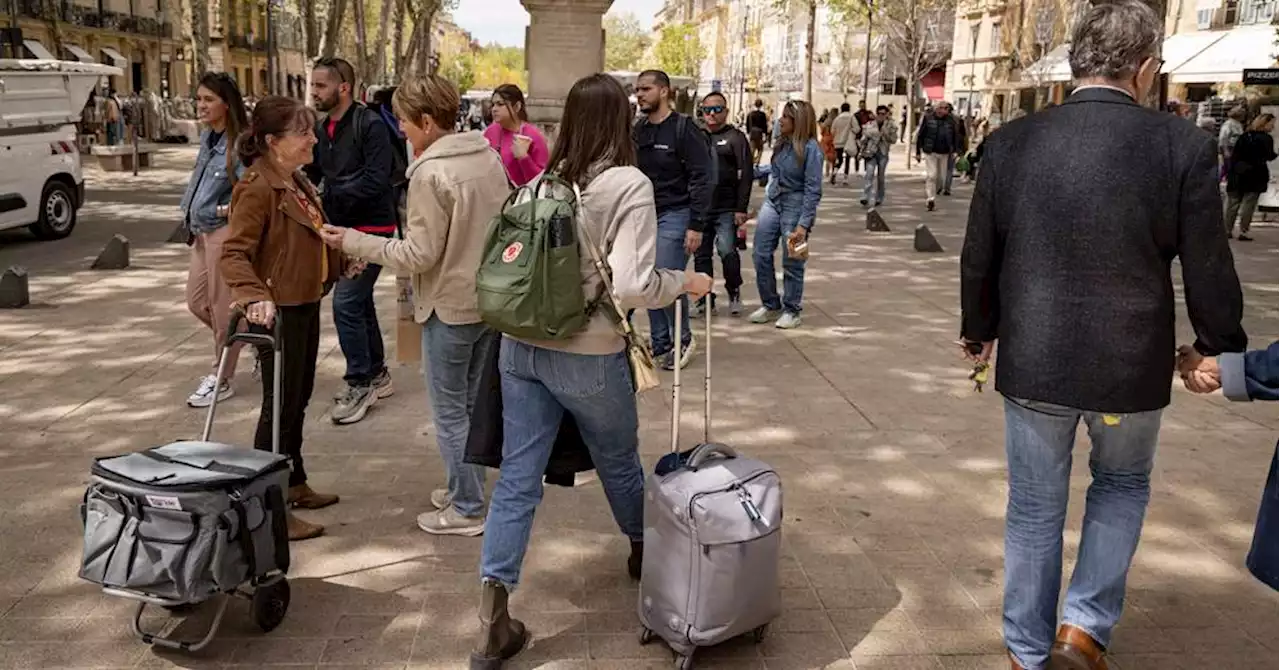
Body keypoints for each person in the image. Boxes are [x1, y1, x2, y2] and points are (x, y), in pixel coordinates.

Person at [958, 2, 1248, 668]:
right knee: (1119, 486)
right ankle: (1082, 628)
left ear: (1073, 61)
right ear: (1145, 69)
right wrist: (1215, 345)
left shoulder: (1011, 142)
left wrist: (979, 331)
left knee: (1033, 504)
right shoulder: (1182, 146)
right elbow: (1209, 261)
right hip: (1130, 363)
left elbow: (981, 253)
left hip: (1034, 357)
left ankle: (1027, 652)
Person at [469, 72, 712, 668]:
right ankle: (643, 553)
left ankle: (492, 615)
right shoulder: (627, 183)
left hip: (519, 348)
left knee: (518, 480)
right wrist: (686, 283)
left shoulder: (544, 179)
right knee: (618, 460)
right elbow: (632, 284)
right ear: (621, 119)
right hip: (590, 352)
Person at [320, 75, 510, 537]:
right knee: (469, 405)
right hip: (491, 300)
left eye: (404, 121)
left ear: (427, 120)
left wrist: (354, 242)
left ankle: (467, 507)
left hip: (449, 305)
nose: (401, 130)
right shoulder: (486, 155)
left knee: (450, 411)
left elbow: (419, 254)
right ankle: (464, 487)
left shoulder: (431, 172)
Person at [220, 96, 352, 542]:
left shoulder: (294, 180)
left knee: (297, 399)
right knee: (278, 409)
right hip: (279, 312)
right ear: (273, 142)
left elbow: (302, 242)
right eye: (303, 132)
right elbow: (234, 253)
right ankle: (269, 509)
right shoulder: (258, 187)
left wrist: (338, 263)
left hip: (304, 303)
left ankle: (293, 483)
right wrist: (254, 296)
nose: (313, 138)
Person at [305, 57, 397, 425]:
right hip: (338, 231)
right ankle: (376, 371)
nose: (314, 92)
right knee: (359, 304)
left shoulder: (370, 125)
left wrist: (328, 193)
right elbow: (312, 172)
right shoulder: (320, 126)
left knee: (346, 303)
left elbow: (377, 180)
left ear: (343, 87)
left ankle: (360, 382)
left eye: (321, 86)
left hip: (371, 232)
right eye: (312, 85)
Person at [632, 69, 713, 370]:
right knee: (646, 280)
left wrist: (696, 224)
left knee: (667, 277)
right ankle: (661, 341)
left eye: (646, 89)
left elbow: (703, 177)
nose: (640, 94)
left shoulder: (684, 128)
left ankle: (683, 339)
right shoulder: (639, 130)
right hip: (644, 215)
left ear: (664, 91)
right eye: (637, 89)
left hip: (676, 214)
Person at [180, 72, 249, 408]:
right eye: (199, 99)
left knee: (223, 312)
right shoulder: (208, 138)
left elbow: (251, 192)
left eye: (208, 99)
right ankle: (253, 335)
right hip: (200, 231)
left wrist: (224, 210)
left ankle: (222, 378)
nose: (201, 105)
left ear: (226, 103)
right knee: (197, 302)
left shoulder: (239, 143)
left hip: (223, 234)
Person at [749, 100, 822, 330]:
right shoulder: (782, 144)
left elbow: (813, 188)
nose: (780, 120)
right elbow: (775, 170)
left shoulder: (811, 149)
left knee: (793, 260)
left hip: (796, 204)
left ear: (798, 121)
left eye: (786, 117)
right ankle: (771, 303)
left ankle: (792, 309)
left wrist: (804, 223)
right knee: (760, 253)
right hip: (773, 201)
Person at [691, 92, 753, 317]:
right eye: (707, 109)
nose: (711, 114)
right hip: (700, 208)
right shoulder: (696, 136)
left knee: (727, 250)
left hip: (726, 208)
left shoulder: (736, 138)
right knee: (701, 255)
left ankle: (734, 290)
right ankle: (704, 299)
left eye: (717, 109)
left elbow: (746, 173)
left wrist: (741, 208)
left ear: (726, 112)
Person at [483, 83, 549, 187]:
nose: (494, 109)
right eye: (493, 104)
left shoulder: (533, 136)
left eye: (500, 104)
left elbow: (543, 182)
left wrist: (524, 158)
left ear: (517, 106)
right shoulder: (490, 132)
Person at [1224, 114, 1277, 242]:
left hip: (1238, 172)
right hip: (1256, 174)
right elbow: (1269, 155)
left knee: (1232, 203)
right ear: (1264, 124)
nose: (1273, 127)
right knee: (1249, 204)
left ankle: (1227, 230)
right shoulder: (1266, 139)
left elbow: (1235, 155)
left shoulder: (1244, 136)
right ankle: (1244, 230)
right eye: (1272, 124)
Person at [916, 102, 961, 211]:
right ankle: (930, 199)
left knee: (942, 177)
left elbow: (956, 136)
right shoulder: (928, 118)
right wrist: (917, 151)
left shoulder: (951, 120)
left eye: (945, 108)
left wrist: (956, 151)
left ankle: (936, 190)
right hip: (930, 151)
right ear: (936, 109)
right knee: (932, 175)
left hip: (945, 152)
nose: (943, 110)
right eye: (940, 108)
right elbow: (921, 135)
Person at [858, 104, 898, 208]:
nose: (881, 116)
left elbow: (893, 140)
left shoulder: (891, 126)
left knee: (881, 177)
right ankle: (865, 197)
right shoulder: (870, 124)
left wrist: (885, 134)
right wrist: (861, 150)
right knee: (869, 174)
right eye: (879, 113)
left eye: (883, 114)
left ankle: (879, 198)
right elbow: (864, 138)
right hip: (871, 152)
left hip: (883, 153)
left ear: (887, 115)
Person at [830, 102, 855, 186]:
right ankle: (845, 178)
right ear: (849, 109)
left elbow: (832, 131)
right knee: (847, 160)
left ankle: (835, 172)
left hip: (838, 142)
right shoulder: (851, 117)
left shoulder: (837, 119)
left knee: (839, 159)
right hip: (848, 141)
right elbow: (857, 128)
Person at [1219, 106, 1247, 178]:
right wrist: (1225, 150)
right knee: (1228, 166)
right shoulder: (1229, 124)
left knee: (1230, 167)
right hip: (1230, 147)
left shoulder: (1238, 124)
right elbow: (1223, 137)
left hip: (1236, 148)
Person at [852, 100, 873, 172]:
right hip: (859, 136)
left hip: (867, 135)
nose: (862, 106)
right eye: (861, 105)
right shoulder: (856, 115)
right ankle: (857, 169)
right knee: (857, 153)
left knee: (867, 153)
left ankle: (866, 169)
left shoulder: (869, 113)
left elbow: (873, 122)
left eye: (863, 105)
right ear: (859, 105)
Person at [747, 99, 769, 166]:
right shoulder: (762, 114)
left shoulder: (750, 114)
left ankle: (751, 162)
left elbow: (747, 124)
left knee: (752, 148)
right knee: (760, 149)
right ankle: (757, 162)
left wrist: (749, 132)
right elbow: (764, 125)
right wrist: (766, 134)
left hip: (752, 133)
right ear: (761, 105)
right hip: (759, 133)